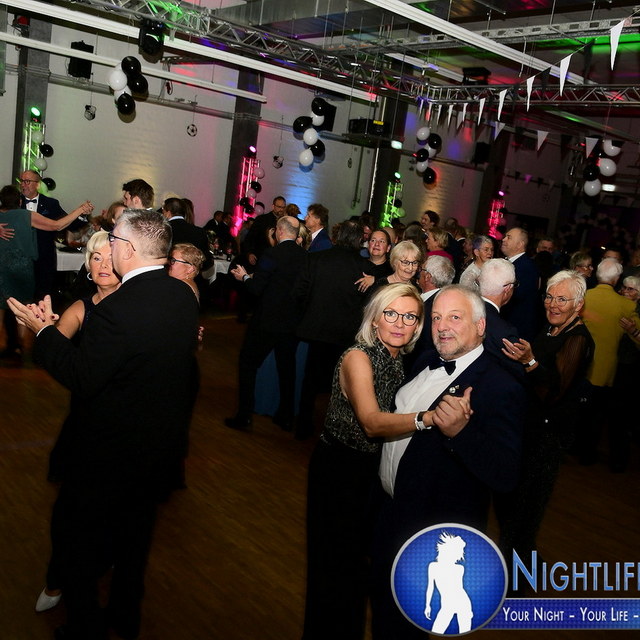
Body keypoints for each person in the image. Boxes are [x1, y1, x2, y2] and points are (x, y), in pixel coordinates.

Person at [8, 209, 199, 640]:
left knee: (80, 540)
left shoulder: (119, 309)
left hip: (108, 452)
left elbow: (82, 377)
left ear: (128, 249)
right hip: (157, 449)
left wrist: (43, 332)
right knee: (134, 543)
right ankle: (125, 619)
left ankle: (84, 627)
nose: (107, 246)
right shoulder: (182, 294)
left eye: (112, 239)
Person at [372, 285, 525, 640]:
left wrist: (461, 433)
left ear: (481, 326)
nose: (442, 326)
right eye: (437, 318)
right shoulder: (425, 360)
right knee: (381, 607)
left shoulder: (500, 385)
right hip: (390, 511)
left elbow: (506, 475)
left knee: (403, 626)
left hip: (431, 531)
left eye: (455, 317)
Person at [304, 283, 435, 640]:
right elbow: (372, 422)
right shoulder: (357, 357)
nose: (399, 323)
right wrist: (427, 418)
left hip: (371, 475)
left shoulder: (399, 359)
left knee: (357, 570)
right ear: (374, 319)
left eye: (409, 316)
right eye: (391, 314)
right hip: (339, 471)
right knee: (333, 569)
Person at [35, 231, 121, 614]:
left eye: (109, 257)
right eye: (95, 257)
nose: (102, 265)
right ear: (87, 264)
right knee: (69, 511)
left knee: (112, 506)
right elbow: (53, 349)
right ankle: (56, 579)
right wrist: (44, 330)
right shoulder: (82, 307)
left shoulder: (136, 308)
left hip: (124, 426)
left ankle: (104, 559)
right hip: (85, 423)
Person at [497, 270, 594, 579]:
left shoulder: (578, 338)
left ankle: (514, 579)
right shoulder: (552, 328)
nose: (553, 304)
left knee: (526, 508)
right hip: (531, 429)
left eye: (562, 299)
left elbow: (554, 392)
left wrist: (529, 361)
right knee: (516, 505)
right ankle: (519, 565)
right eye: (550, 297)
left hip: (548, 437)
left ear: (578, 305)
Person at [225, 216, 307, 431]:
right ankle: (286, 415)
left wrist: (244, 277)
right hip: (291, 323)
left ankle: (244, 415)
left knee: (248, 364)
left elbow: (256, 289)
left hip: (266, 321)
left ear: (279, 231)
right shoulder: (306, 256)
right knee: (286, 369)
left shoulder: (272, 254)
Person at [0, 185, 93, 356]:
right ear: (19, 201)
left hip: (2, 267)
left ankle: (8, 345)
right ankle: (22, 348)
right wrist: (80, 209)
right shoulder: (26, 215)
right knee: (24, 307)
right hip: (22, 267)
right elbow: (57, 225)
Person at [580, 258, 640, 467]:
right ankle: (588, 454)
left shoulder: (583, 296)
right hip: (604, 369)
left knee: (579, 410)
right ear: (616, 280)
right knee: (596, 415)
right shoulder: (626, 305)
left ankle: (575, 449)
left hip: (580, 363)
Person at [18, 170, 92, 301]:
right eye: (22, 181)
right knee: (19, 295)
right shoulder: (14, 202)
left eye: (27, 181)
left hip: (44, 258)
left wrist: (83, 215)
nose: (23, 184)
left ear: (37, 184)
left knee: (42, 296)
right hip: (20, 258)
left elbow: (69, 224)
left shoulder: (50, 204)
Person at [424, 532, 472, 634]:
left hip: (463, 603)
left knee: (465, 634)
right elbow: (430, 587)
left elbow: (459, 588)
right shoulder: (433, 566)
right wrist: (427, 605)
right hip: (447, 605)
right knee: (436, 631)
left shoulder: (460, 568)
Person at [500, 227, 541, 342]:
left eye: (509, 237)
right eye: (505, 236)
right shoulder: (510, 263)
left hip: (515, 331)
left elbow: (514, 298)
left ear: (520, 244)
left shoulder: (526, 267)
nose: (503, 239)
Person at [161, 198, 212, 272]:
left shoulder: (163, 230)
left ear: (168, 213)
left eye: (163, 212)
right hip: (193, 274)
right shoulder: (199, 231)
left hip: (168, 274)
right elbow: (206, 260)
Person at [243, 196, 286, 265]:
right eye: (279, 207)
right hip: (261, 256)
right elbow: (250, 238)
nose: (281, 209)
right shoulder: (262, 219)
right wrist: (250, 253)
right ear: (273, 206)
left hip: (279, 259)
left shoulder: (286, 222)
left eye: (283, 207)